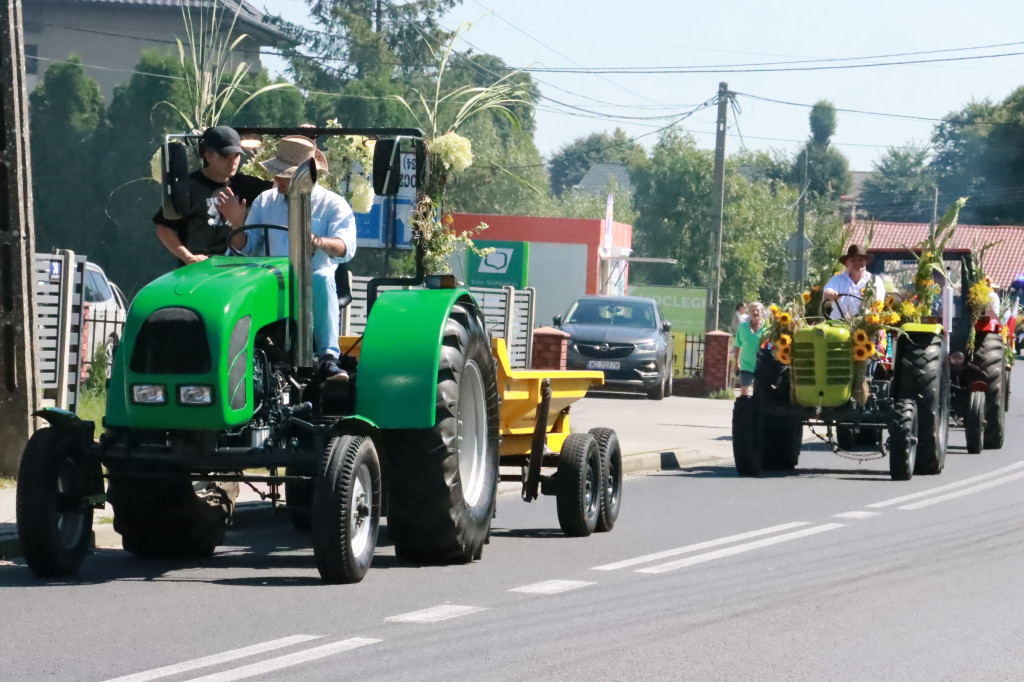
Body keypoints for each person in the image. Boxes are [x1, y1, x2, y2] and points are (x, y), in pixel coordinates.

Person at [231, 136, 356, 377]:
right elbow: (246, 247)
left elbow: (346, 247)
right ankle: (243, 355)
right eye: (277, 173)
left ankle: (327, 357)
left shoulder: (333, 205)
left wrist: (317, 242)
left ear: (306, 177)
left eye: (285, 175)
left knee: (319, 277)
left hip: (312, 283)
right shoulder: (265, 201)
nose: (277, 180)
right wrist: (237, 225)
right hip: (270, 280)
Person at [153, 125, 271, 266]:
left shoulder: (247, 184)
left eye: (237, 155)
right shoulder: (189, 187)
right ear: (208, 156)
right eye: (225, 155)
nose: (232, 161)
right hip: (198, 271)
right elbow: (164, 228)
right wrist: (189, 257)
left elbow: (286, 186)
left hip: (237, 270)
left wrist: (303, 136)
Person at [823, 244, 886, 319]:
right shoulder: (837, 279)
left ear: (866, 262)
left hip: (867, 325)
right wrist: (830, 294)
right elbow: (827, 291)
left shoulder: (875, 280)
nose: (857, 263)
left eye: (861, 260)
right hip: (838, 325)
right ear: (846, 263)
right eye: (853, 260)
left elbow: (878, 301)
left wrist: (873, 300)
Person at [732, 302, 766, 397]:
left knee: (759, 391)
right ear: (749, 313)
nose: (755, 312)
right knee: (744, 390)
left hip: (761, 365)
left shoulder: (768, 329)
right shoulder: (742, 328)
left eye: (757, 310)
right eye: (752, 310)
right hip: (746, 364)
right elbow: (738, 346)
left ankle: (756, 411)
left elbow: (771, 347)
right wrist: (736, 363)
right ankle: (744, 409)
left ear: (762, 312)